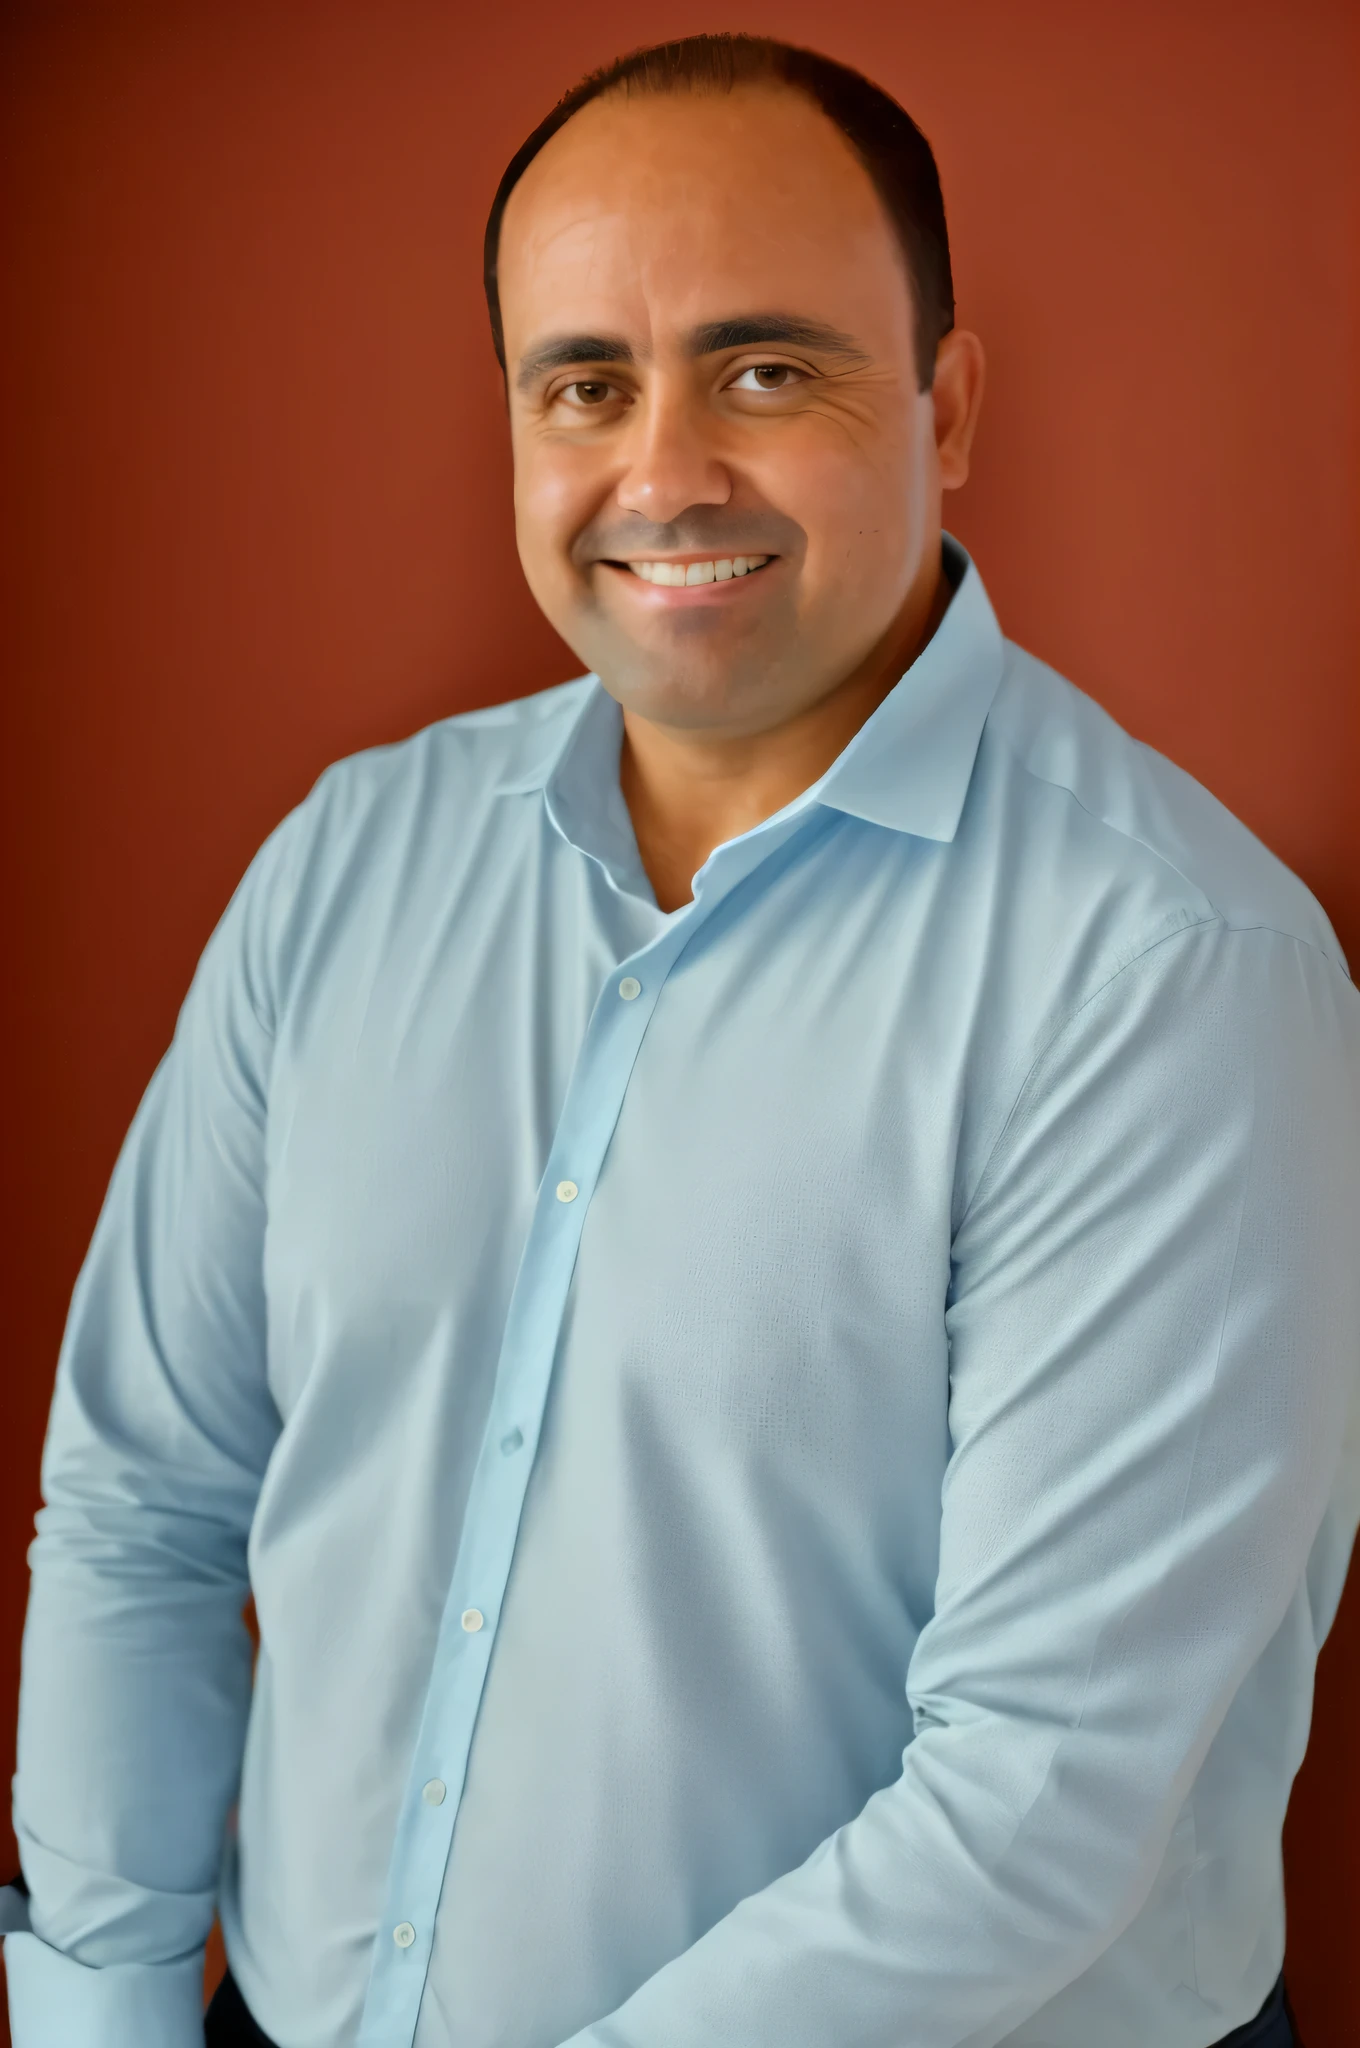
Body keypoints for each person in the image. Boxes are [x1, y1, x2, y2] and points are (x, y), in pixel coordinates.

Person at [3, 30, 1355, 2048]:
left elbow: (1031, 1806)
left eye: (764, 368)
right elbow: (146, 1490)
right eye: (584, 386)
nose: (662, 474)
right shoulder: (345, 864)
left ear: (947, 401)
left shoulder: (1167, 965)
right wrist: (99, 2010)